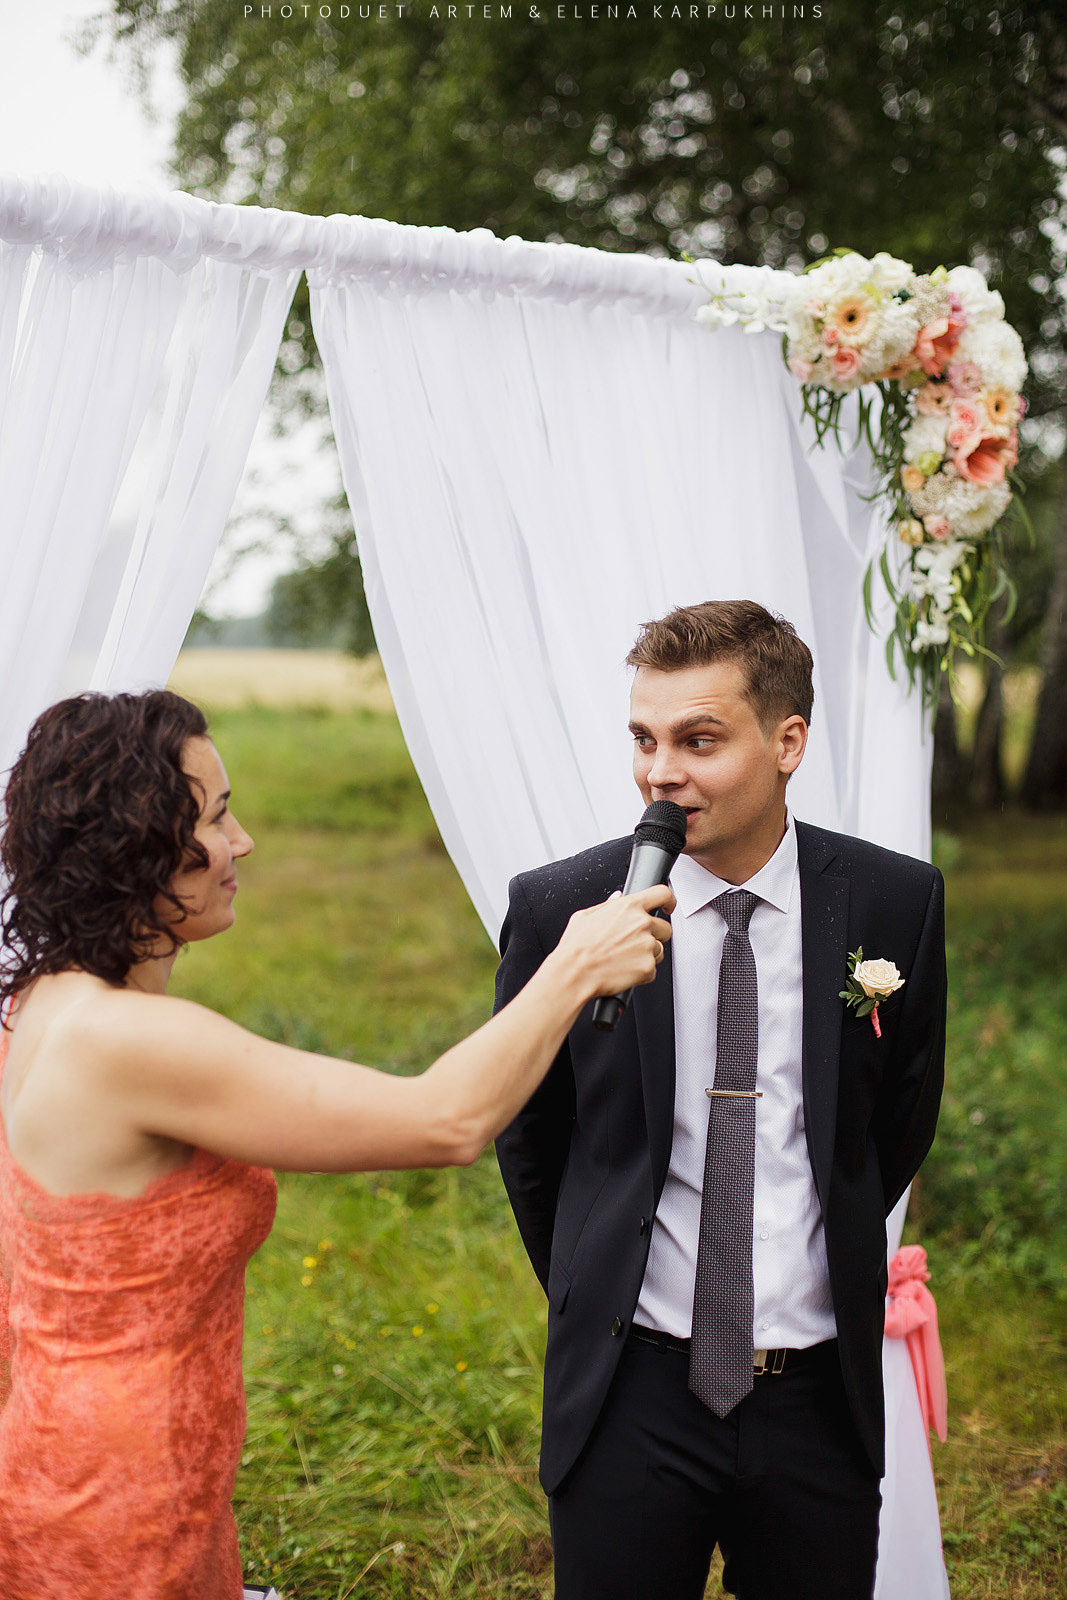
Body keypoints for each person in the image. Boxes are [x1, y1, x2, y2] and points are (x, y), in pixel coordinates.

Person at [0, 688, 673, 1600]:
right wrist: (573, 967)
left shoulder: (37, 1005)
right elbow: (445, 1120)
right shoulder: (128, 1041)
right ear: (137, 843)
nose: (243, 845)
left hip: (59, 1448)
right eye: (217, 816)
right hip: (122, 1486)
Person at [495, 599, 947, 1600]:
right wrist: (591, 1280)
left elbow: (893, 1119)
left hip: (816, 1395)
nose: (660, 771)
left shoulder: (891, 902)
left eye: (697, 739)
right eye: (644, 739)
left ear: (786, 741)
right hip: (632, 1388)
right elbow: (534, 1139)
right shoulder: (560, 906)